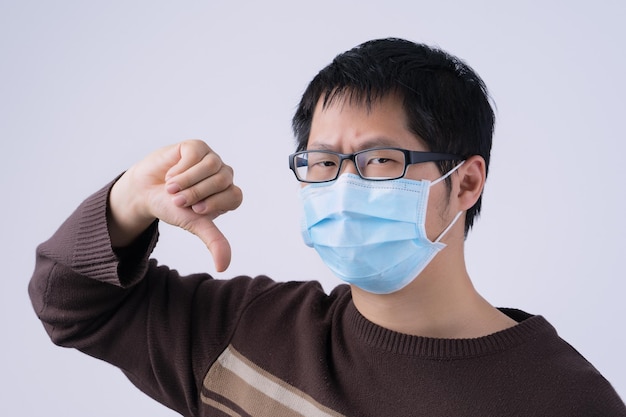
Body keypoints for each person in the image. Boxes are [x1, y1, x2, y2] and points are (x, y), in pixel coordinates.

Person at [29, 38, 625, 416]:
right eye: (321, 163)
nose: (344, 186)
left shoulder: (565, 401)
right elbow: (70, 304)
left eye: (379, 160)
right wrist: (130, 198)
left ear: (466, 183)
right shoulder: (245, 335)